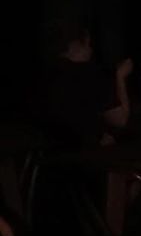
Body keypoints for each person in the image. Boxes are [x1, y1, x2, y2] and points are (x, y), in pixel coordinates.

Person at [42, 20, 132, 148]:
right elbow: (120, 120)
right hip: (87, 153)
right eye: (88, 43)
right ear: (76, 44)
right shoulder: (89, 75)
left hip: (50, 153)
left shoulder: (47, 74)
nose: (91, 49)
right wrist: (120, 76)